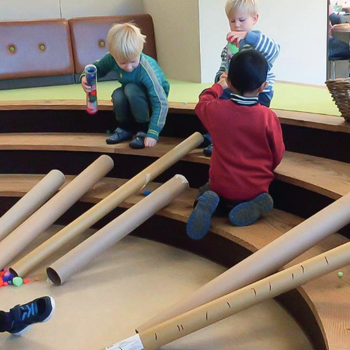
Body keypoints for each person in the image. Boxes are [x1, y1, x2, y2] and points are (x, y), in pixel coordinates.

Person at [187, 50, 285, 240]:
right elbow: (278, 152)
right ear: (263, 86)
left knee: (206, 190)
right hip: (255, 185)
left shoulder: (216, 111)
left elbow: (202, 102)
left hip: (220, 185)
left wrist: (219, 86)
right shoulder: (267, 117)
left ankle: (206, 203)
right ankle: (257, 202)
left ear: (230, 81)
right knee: (260, 195)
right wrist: (267, 167)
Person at [203, 0, 280, 156]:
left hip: (257, 91)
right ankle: (216, 137)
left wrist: (247, 36)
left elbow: (274, 51)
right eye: (232, 21)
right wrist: (220, 79)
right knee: (220, 106)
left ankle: (245, 141)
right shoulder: (230, 46)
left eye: (242, 20)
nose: (237, 25)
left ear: (255, 19)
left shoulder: (259, 41)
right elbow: (224, 65)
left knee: (252, 118)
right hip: (235, 89)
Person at [81, 23, 170, 149]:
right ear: (114, 55)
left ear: (140, 51)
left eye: (133, 61)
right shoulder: (112, 58)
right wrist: (85, 76)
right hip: (132, 94)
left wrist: (153, 132)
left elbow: (161, 102)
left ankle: (142, 130)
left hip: (152, 100)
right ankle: (124, 128)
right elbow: (98, 67)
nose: (128, 67)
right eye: (122, 63)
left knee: (130, 89)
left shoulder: (148, 71)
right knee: (118, 94)